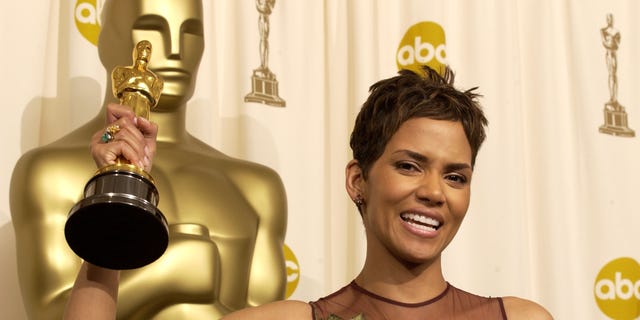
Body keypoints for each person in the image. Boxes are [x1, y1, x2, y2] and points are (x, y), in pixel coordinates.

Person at [64, 65, 553, 319]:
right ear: (357, 180)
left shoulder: (521, 318)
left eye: (455, 176)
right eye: (409, 166)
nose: (433, 192)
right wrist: (116, 202)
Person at [10, 0, 287, 319]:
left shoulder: (256, 188)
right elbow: (49, 313)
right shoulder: (49, 173)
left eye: (191, 32)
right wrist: (170, 271)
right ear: (106, 41)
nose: (175, 50)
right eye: (152, 28)